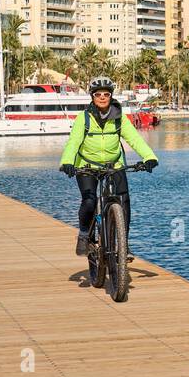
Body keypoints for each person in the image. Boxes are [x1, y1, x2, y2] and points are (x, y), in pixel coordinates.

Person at [59, 77, 159, 259]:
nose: (103, 97)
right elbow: (73, 142)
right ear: (92, 97)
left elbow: (134, 139)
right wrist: (67, 162)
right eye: (98, 94)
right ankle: (84, 234)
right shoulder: (84, 118)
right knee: (89, 202)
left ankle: (123, 245)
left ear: (111, 96)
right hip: (87, 165)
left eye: (106, 94)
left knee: (124, 201)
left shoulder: (119, 117)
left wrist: (149, 157)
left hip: (114, 165)